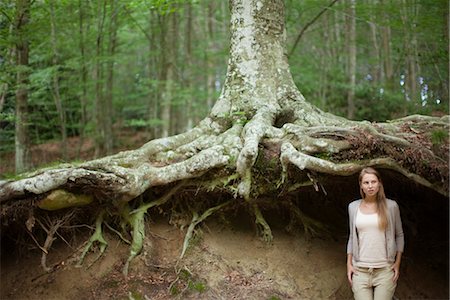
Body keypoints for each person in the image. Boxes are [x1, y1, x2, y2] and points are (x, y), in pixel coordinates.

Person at [346, 167, 404, 300]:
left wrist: (397, 263)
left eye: (373, 182)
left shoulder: (391, 206)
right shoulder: (353, 207)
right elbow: (352, 237)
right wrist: (349, 264)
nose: (370, 186)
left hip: (384, 270)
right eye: (366, 183)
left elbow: (399, 235)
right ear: (361, 185)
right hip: (360, 270)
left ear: (379, 183)